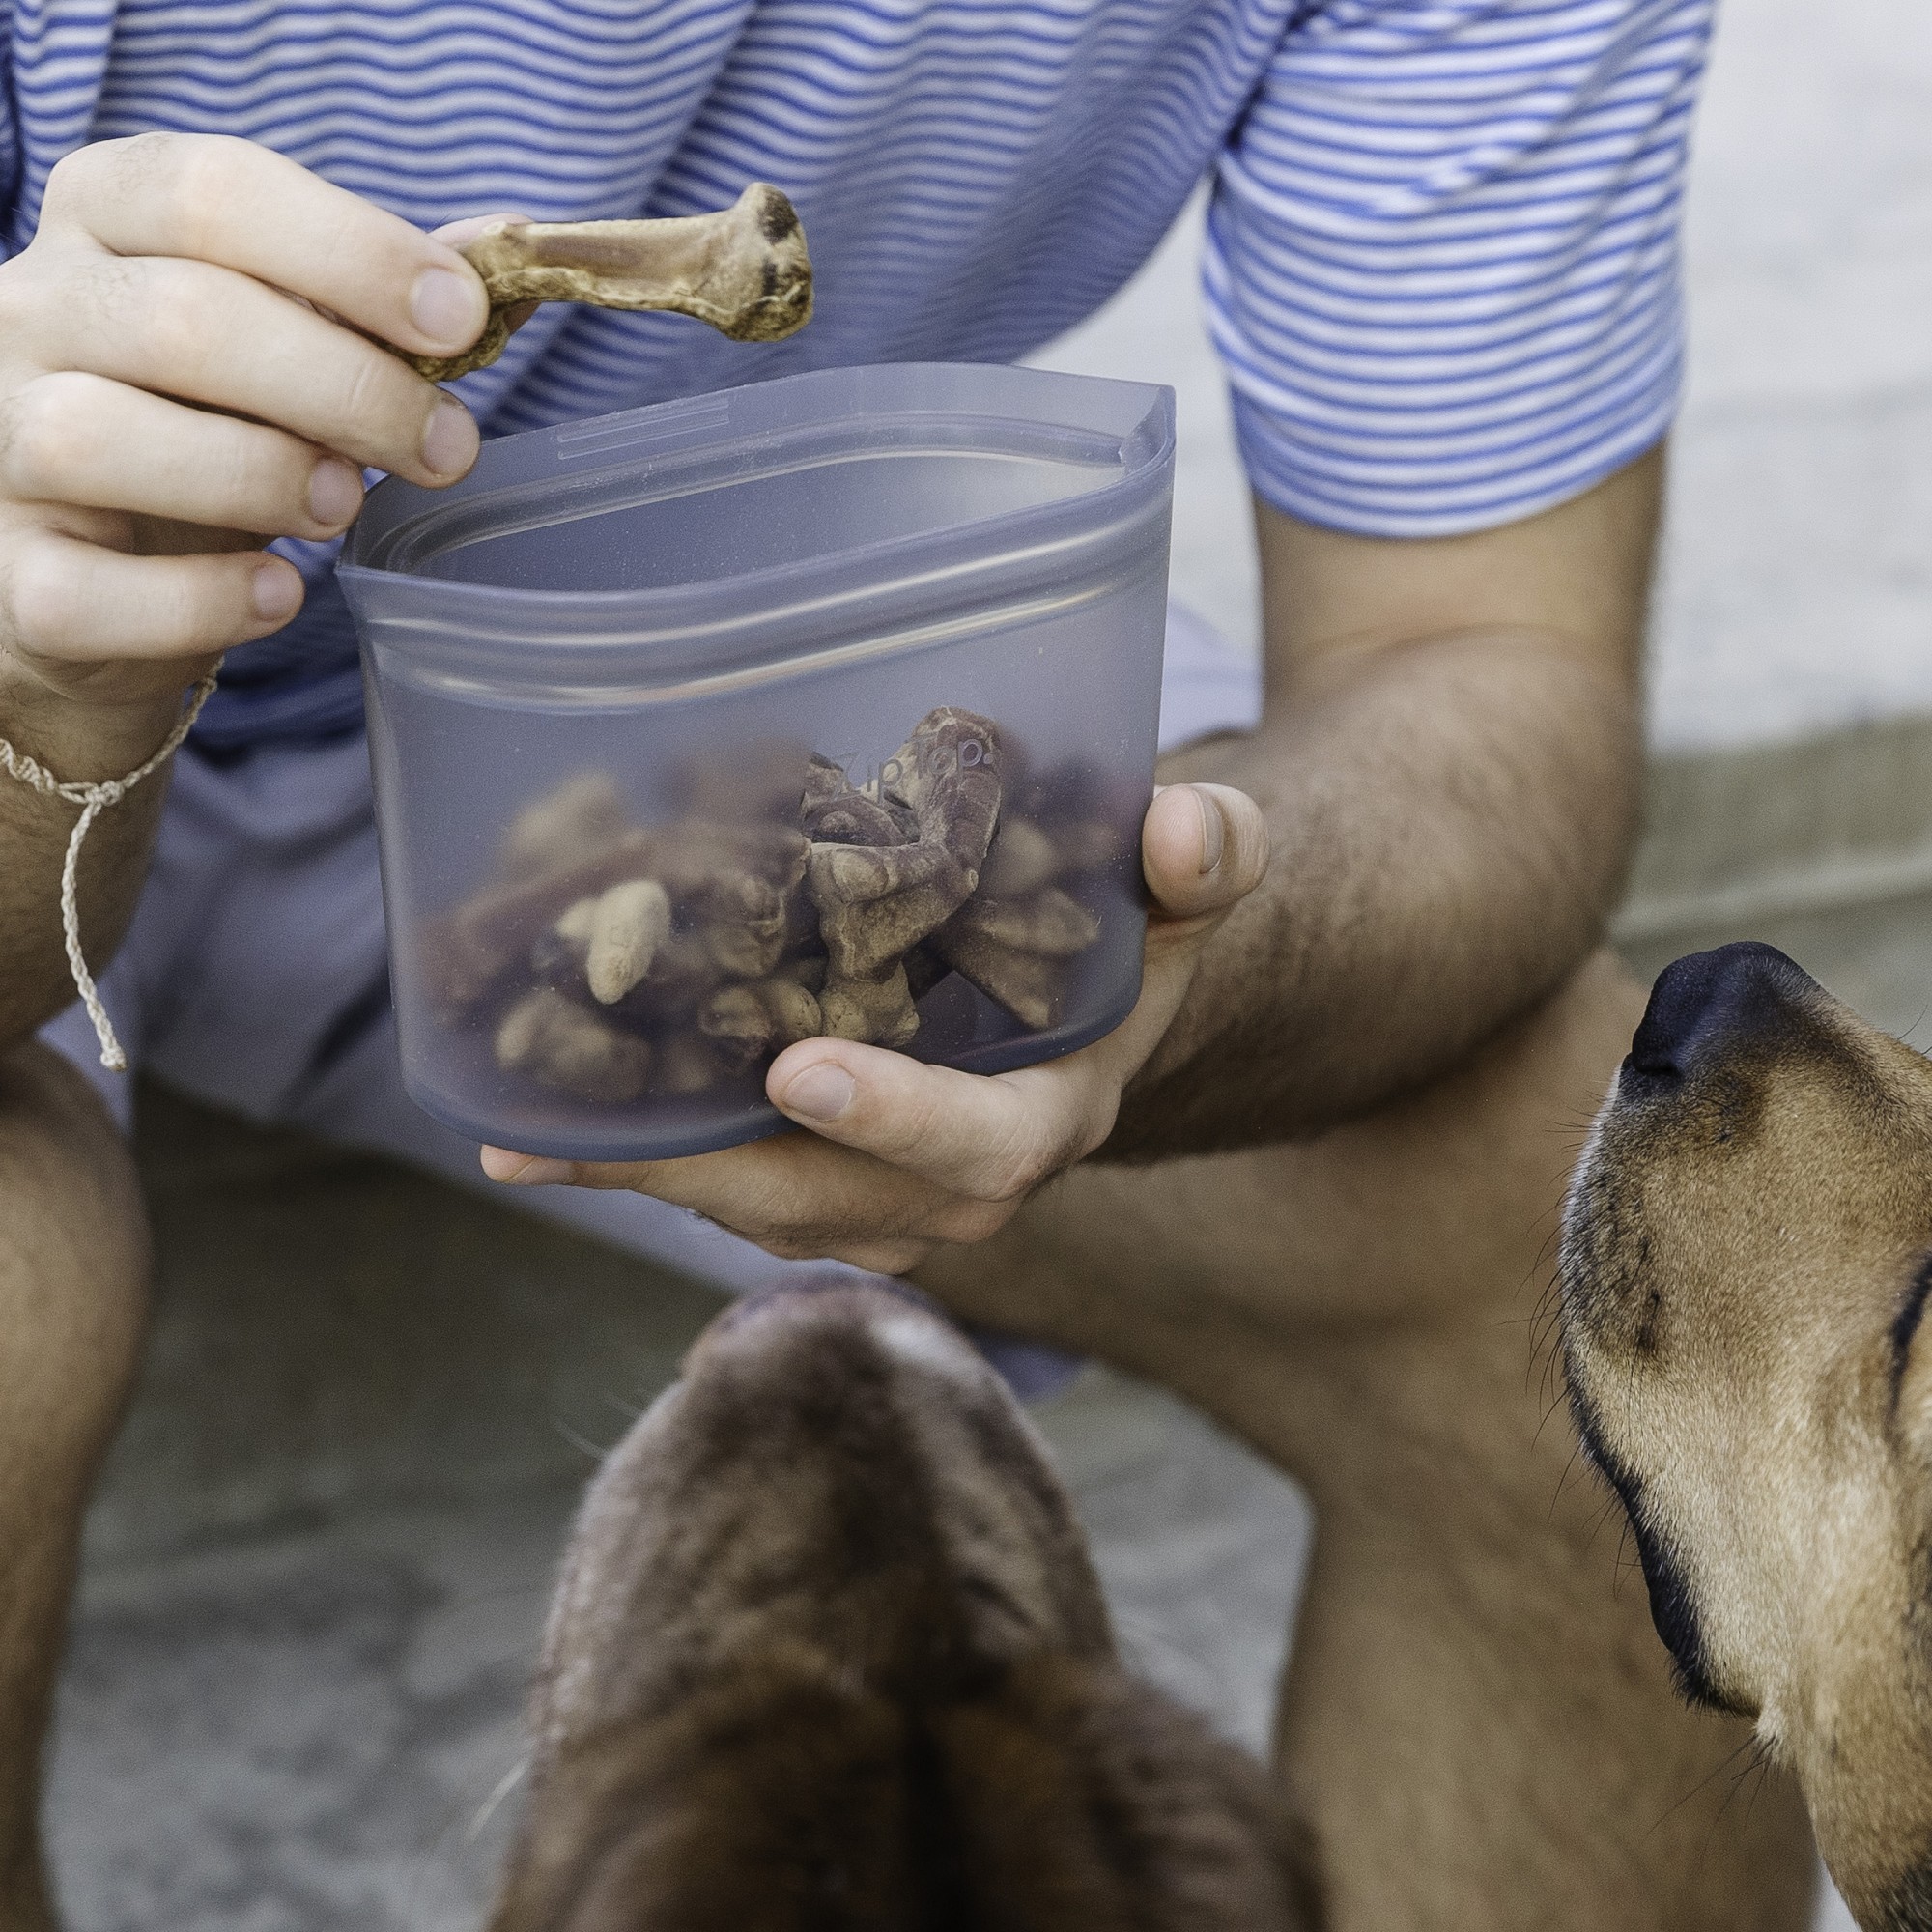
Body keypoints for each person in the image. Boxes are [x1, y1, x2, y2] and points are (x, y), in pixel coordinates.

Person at [0, 1, 1816, 1926]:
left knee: (1614, 1279)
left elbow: (1470, 658)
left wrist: (1158, 973)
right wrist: (51, 676)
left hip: (682, 713)